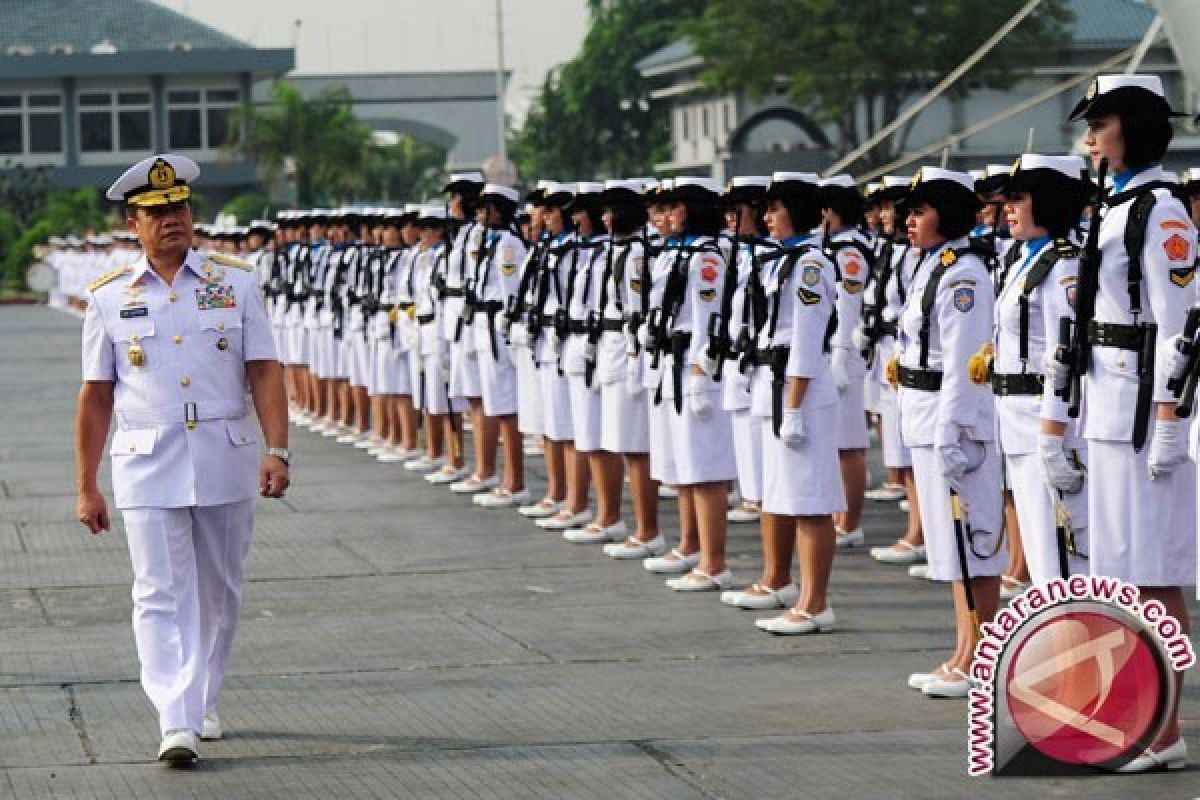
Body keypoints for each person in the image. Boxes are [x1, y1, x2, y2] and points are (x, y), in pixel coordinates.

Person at [75, 154, 290, 764]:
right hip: (146, 457)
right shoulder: (110, 298)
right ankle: (175, 716)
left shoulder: (236, 283)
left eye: (179, 208)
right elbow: (96, 395)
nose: (171, 219)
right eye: (156, 212)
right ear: (133, 224)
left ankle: (201, 698)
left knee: (218, 590)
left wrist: (278, 448)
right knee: (157, 590)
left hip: (224, 452)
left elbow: (265, 371)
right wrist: (85, 483)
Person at [1050, 74, 1197, 771]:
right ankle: (1131, 713)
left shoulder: (1162, 212)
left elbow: (1179, 326)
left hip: (1145, 416)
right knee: (1117, 572)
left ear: (1131, 129)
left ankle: (1163, 729)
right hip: (1107, 410)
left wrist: (1171, 418)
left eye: (1101, 122)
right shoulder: (1113, 207)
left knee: (1157, 574)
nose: (1089, 135)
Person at [896, 167, 1003, 698]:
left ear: (949, 214)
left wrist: (954, 430)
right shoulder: (934, 266)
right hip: (924, 411)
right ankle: (965, 649)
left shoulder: (965, 275)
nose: (908, 220)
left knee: (972, 544)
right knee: (951, 544)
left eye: (919, 211)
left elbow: (964, 361)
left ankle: (981, 656)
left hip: (951, 417)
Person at [732, 172, 845, 623]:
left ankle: (815, 602)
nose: (767, 217)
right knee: (779, 496)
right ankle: (784, 584)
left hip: (800, 392)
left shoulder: (811, 265)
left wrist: (794, 405)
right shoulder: (781, 260)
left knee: (810, 500)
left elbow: (806, 338)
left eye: (775, 209)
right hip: (772, 386)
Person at [994, 155, 1090, 585]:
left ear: (1047, 203)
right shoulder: (1025, 259)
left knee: (1061, 559)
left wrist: (1052, 436)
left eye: (1018, 199)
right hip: (1016, 420)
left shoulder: (1063, 265)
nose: (1007, 209)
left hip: (1043, 420)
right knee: (1038, 546)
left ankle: (1077, 649)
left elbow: (1064, 356)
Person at [648, 176, 738, 592]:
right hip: (673, 359)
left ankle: (714, 560)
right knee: (683, 463)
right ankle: (690, 544)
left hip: (695, 367)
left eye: (675, 207)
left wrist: (703, 371)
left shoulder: (707, 257)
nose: (666, 216)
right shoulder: (674, 253)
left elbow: (709, 320)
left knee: (705, 468)